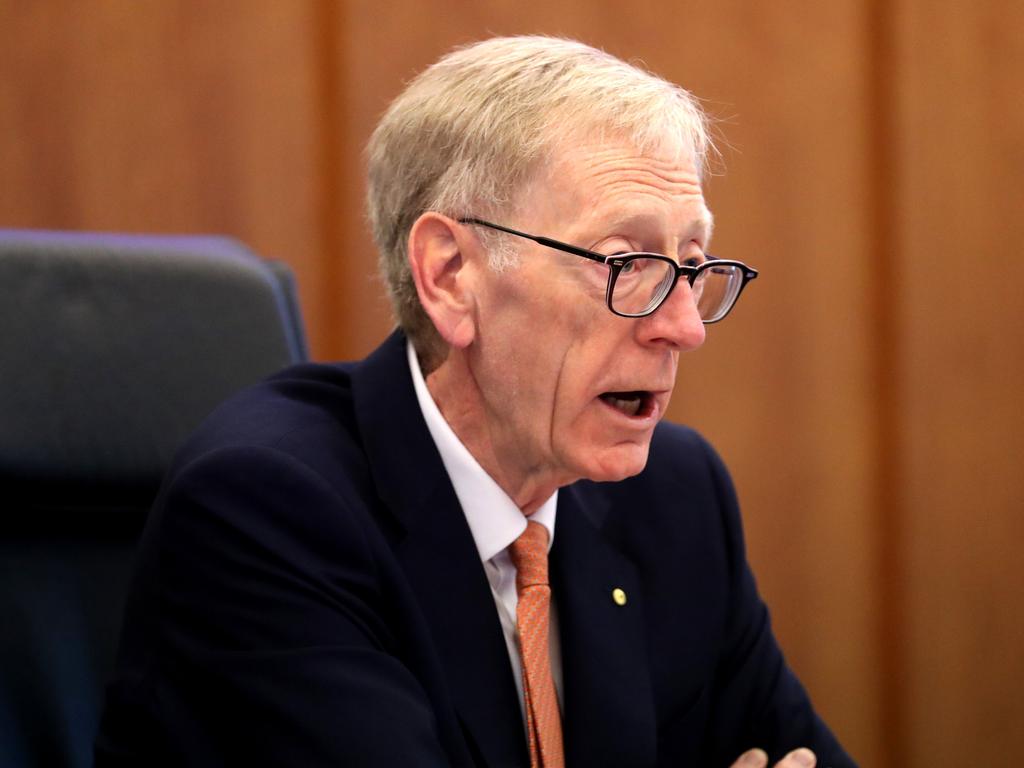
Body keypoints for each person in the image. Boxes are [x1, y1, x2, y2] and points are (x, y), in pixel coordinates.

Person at [96, 36, 856, 768]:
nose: (685, 326)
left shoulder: (676, 502)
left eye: (691, 266)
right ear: (452, 274)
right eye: (627, 264)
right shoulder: (267, 513)